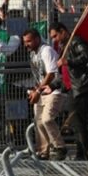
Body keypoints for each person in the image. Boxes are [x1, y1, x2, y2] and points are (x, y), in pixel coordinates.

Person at [50, 22, 88, 161]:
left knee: (78, 121)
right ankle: (82, 153)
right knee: (77, 122)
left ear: (63, 31)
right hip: (74, 87)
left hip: (82, 87)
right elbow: (66, 74)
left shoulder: (76, 41)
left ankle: (83, 155)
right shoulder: (64, 46)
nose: (55, 40)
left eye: (55, 36)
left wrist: (68, 61)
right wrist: (52, 86)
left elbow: (86, 56)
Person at [23, 28, 67, 160]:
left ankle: (60, 147)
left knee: (47, 119)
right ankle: (44, 151)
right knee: (38, 122)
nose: (26, 44)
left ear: (37, 39)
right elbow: (39, 76)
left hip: (54, 90)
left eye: (29, 41)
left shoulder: (46, 50)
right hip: (42, 91)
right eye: (25, 42)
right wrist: (34, 89)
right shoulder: (33, 53)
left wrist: (38, 91)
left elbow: (51, 74)